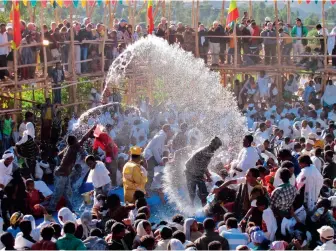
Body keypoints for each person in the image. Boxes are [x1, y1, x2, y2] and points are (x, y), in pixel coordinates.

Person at [48, 125, 96, 212]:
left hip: (64, 175)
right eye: (76, 141)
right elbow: (84, 138)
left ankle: (70, 209)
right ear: (74, 142)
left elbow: (59, 155)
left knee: (68, 193)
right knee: (57, 194)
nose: (78, 142)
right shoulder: (73, 148)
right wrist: (92, 127)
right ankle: (50, 210)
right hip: (61, 175)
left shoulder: (70, 148)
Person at [185, 137, 222, 205]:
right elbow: (202, 165)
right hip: (191, 172)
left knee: (200, 192)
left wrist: (207, 175)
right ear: (214, 144)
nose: (217, 148)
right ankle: (194, 207)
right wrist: (207, 177)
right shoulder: (208, 152)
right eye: (217, 146)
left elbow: (203, 165)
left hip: (193, 170)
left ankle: (200, 206)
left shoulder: (207, 149)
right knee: (194, 192)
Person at [144, 124, 173, 191]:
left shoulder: (162, 135)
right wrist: (160, 161)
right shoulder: (161, 136)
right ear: (166, 130)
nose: (171, 133)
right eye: (170, 131)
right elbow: (154, 149)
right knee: (150, 174)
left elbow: (160, 148)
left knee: (151, 174)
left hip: (150, 156)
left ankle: (148, 188)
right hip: (149, 156)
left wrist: (167, 146)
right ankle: (147, 190)